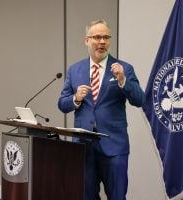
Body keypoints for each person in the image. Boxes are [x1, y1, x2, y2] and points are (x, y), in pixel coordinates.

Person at [58, 19, 145, 200]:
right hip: (84, 148)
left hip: (114, 147)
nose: (102, 42)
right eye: (97, 37)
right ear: (87, 41)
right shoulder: (75, 70)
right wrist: (75, 99)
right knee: (86, 196)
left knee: (117, 196)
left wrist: (122, 81)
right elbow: (62, 104)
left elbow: (139, 100)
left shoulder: (124, 69)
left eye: (106, 37)